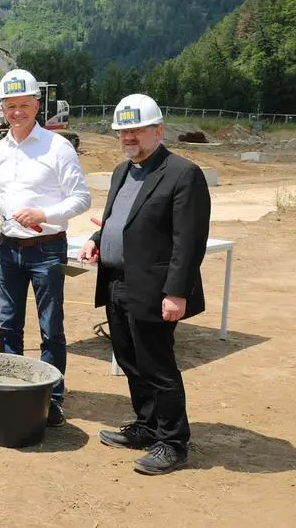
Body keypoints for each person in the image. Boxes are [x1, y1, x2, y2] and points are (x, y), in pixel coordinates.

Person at [78, 93, 210, 475]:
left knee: (157, 366)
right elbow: (118, 220)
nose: (128, 137)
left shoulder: (183, 174)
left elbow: (189, 241)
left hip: (155, 288)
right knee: (130, 361)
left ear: (158, 131)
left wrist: (176, 292)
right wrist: (97, 241)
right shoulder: (122, 172)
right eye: (123, 131)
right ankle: (147, 427)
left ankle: (173, 442)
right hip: (117, 283)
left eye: (136, 130)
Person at [0, 69, 91, 426]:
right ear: (2, 109)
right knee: (8, 324)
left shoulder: (58, 147)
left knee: (50, 327)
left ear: (37, 106)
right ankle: (12, 388)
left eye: (23, 105)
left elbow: (81, 198)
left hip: (47, 250)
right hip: (7, 249)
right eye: (10, 106)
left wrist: (44, 214)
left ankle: (51, 398)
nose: (16, 113)